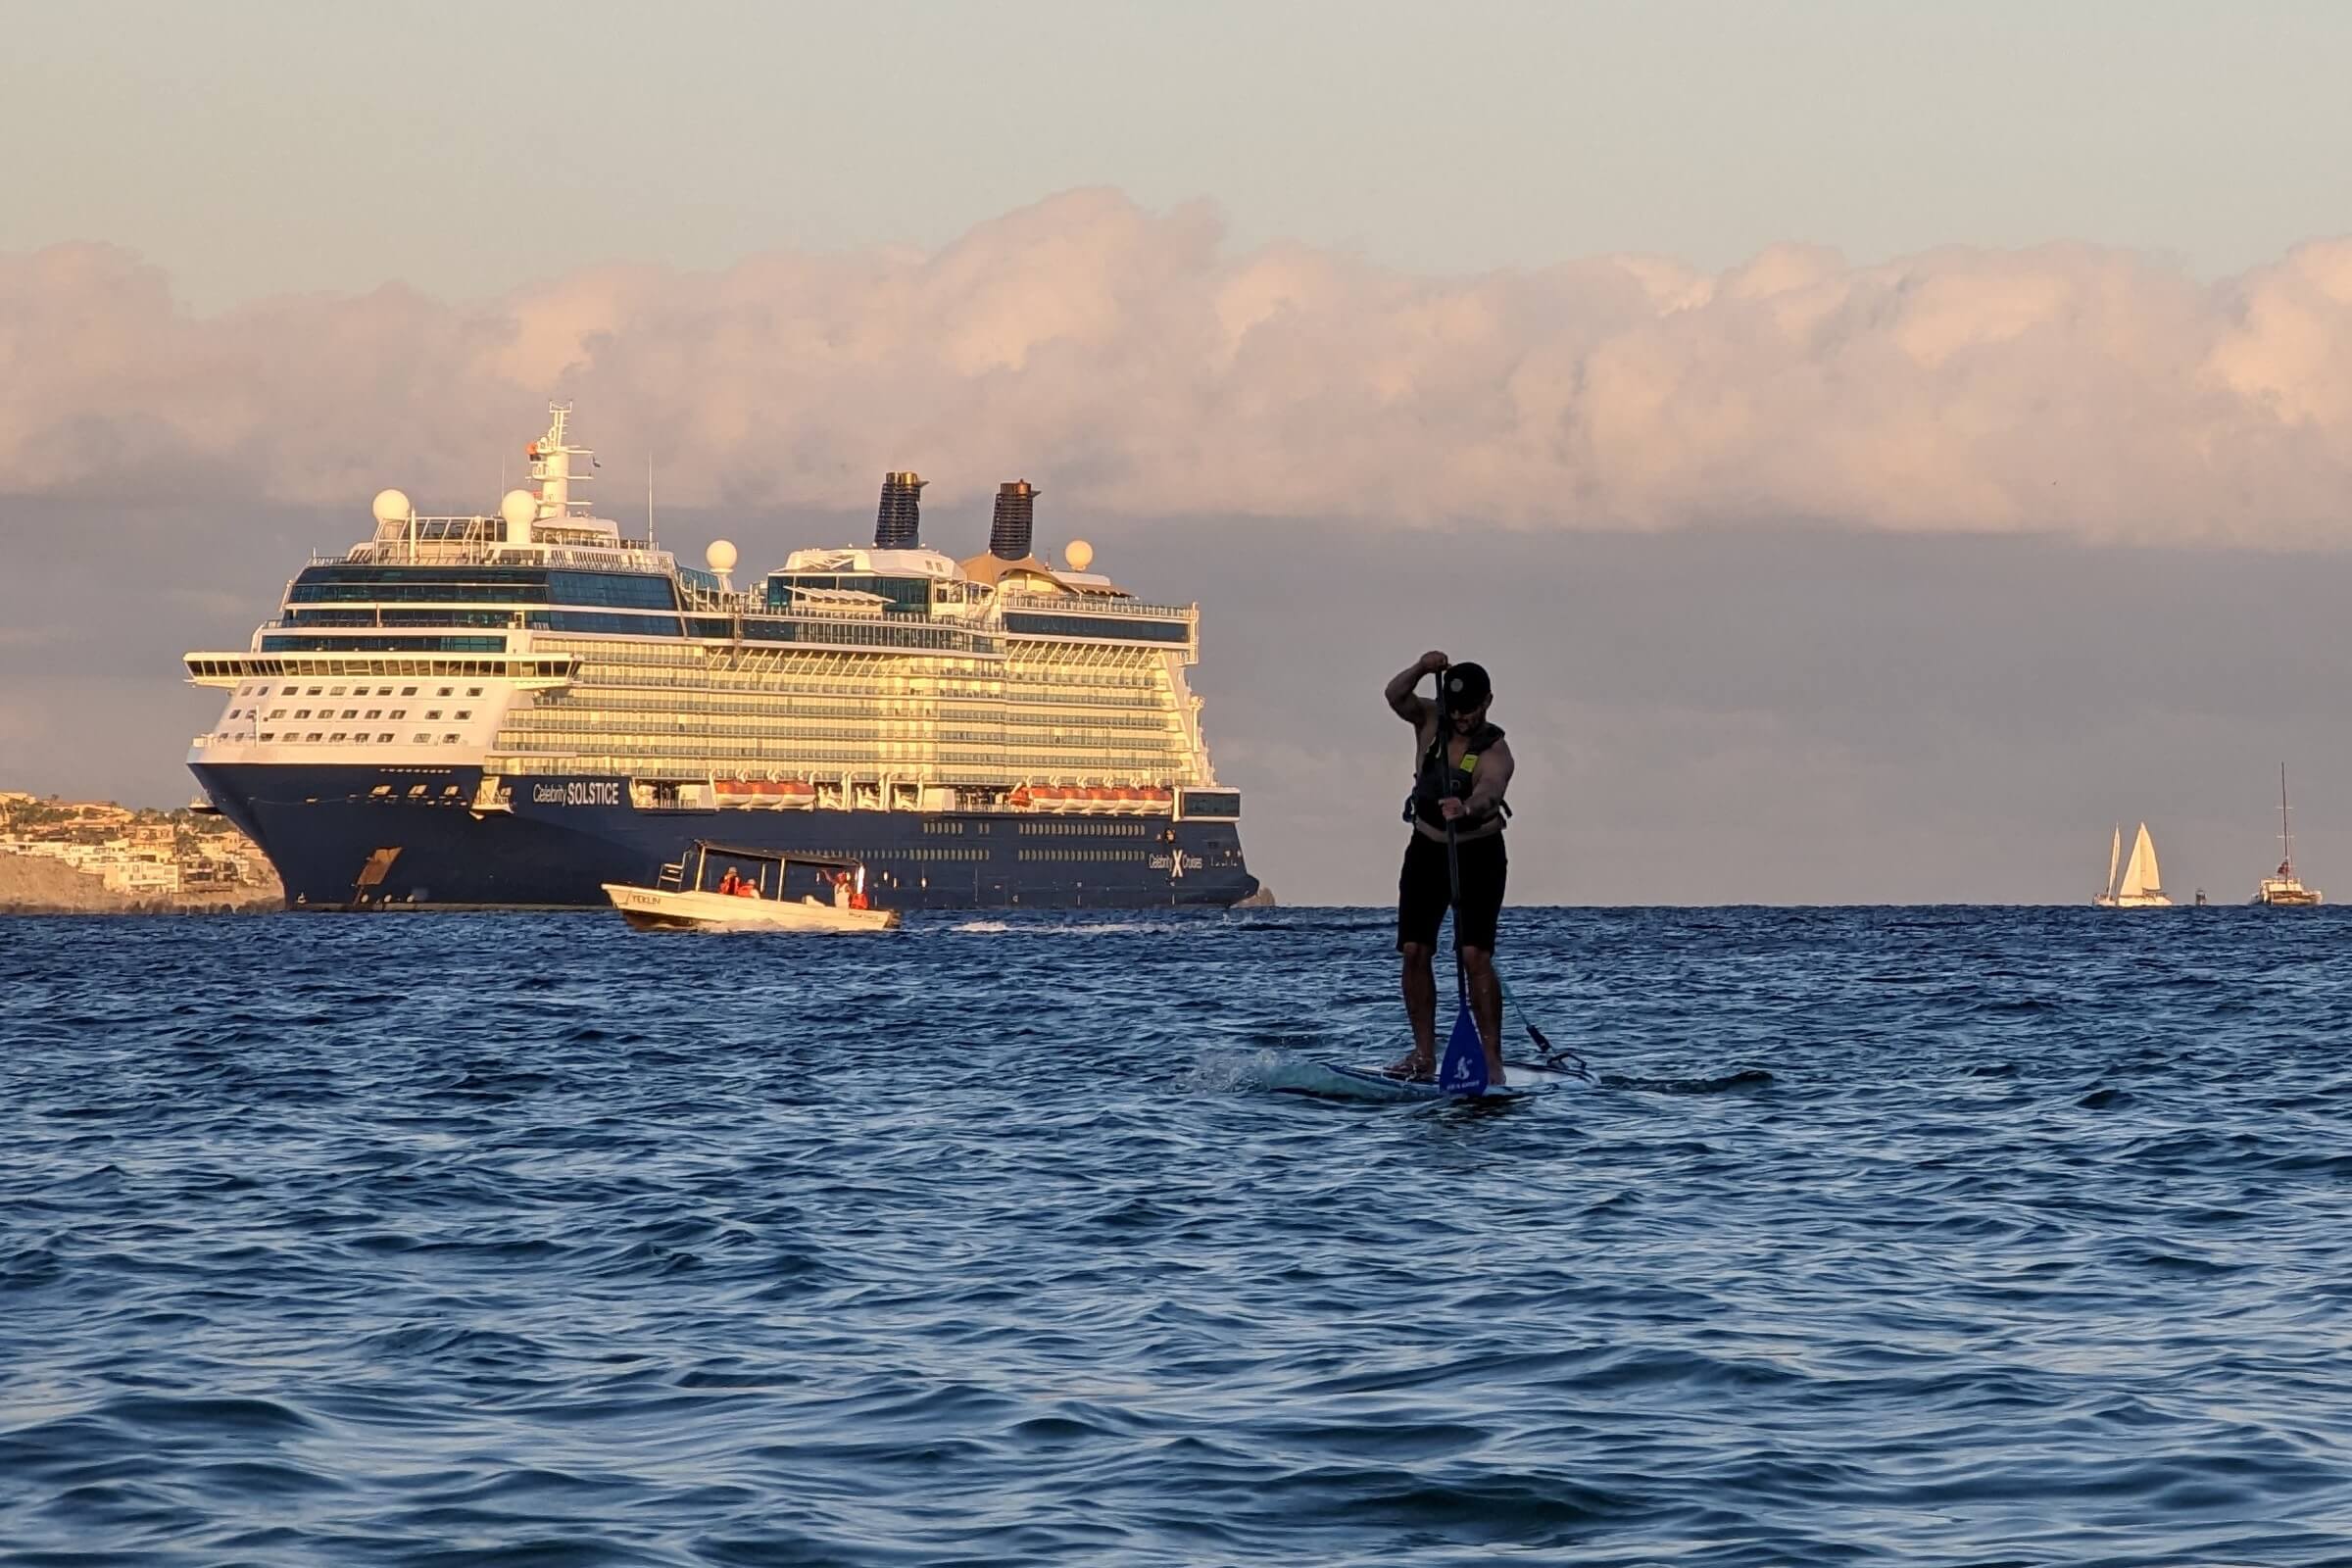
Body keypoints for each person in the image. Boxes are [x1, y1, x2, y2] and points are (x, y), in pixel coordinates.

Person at [1384, 651, 1513, 1084]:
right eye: (1456, 711)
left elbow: (1491, 792)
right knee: (1415, 951)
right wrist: (1422, 668)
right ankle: (1424, 1055)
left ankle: (1491, 1061)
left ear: (1488, 702)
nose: (1462, 719)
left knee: (1474, 955)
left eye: (1470, 711)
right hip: (1427, 850)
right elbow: (1394, 694)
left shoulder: (1495, 749)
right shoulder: (1429, 719)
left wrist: (1468, 806)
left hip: (1479, 855)